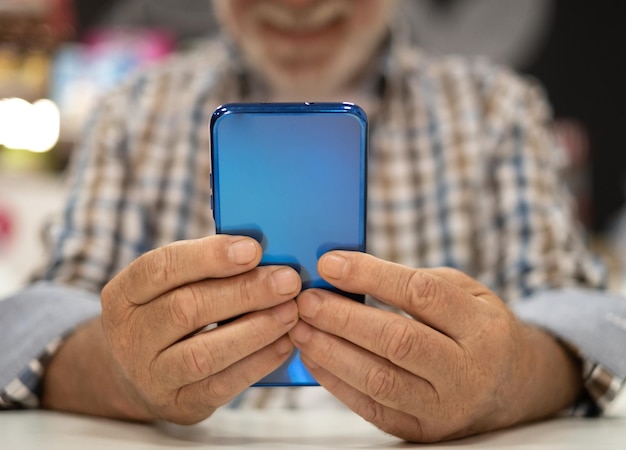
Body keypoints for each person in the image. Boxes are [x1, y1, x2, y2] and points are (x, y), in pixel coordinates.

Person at [1, 0, 625, 443]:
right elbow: (35, 320)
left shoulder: (497, 109)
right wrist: (117, 369)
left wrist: (508, 376)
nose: (296, 4)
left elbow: (586, 317)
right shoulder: (132, 111)